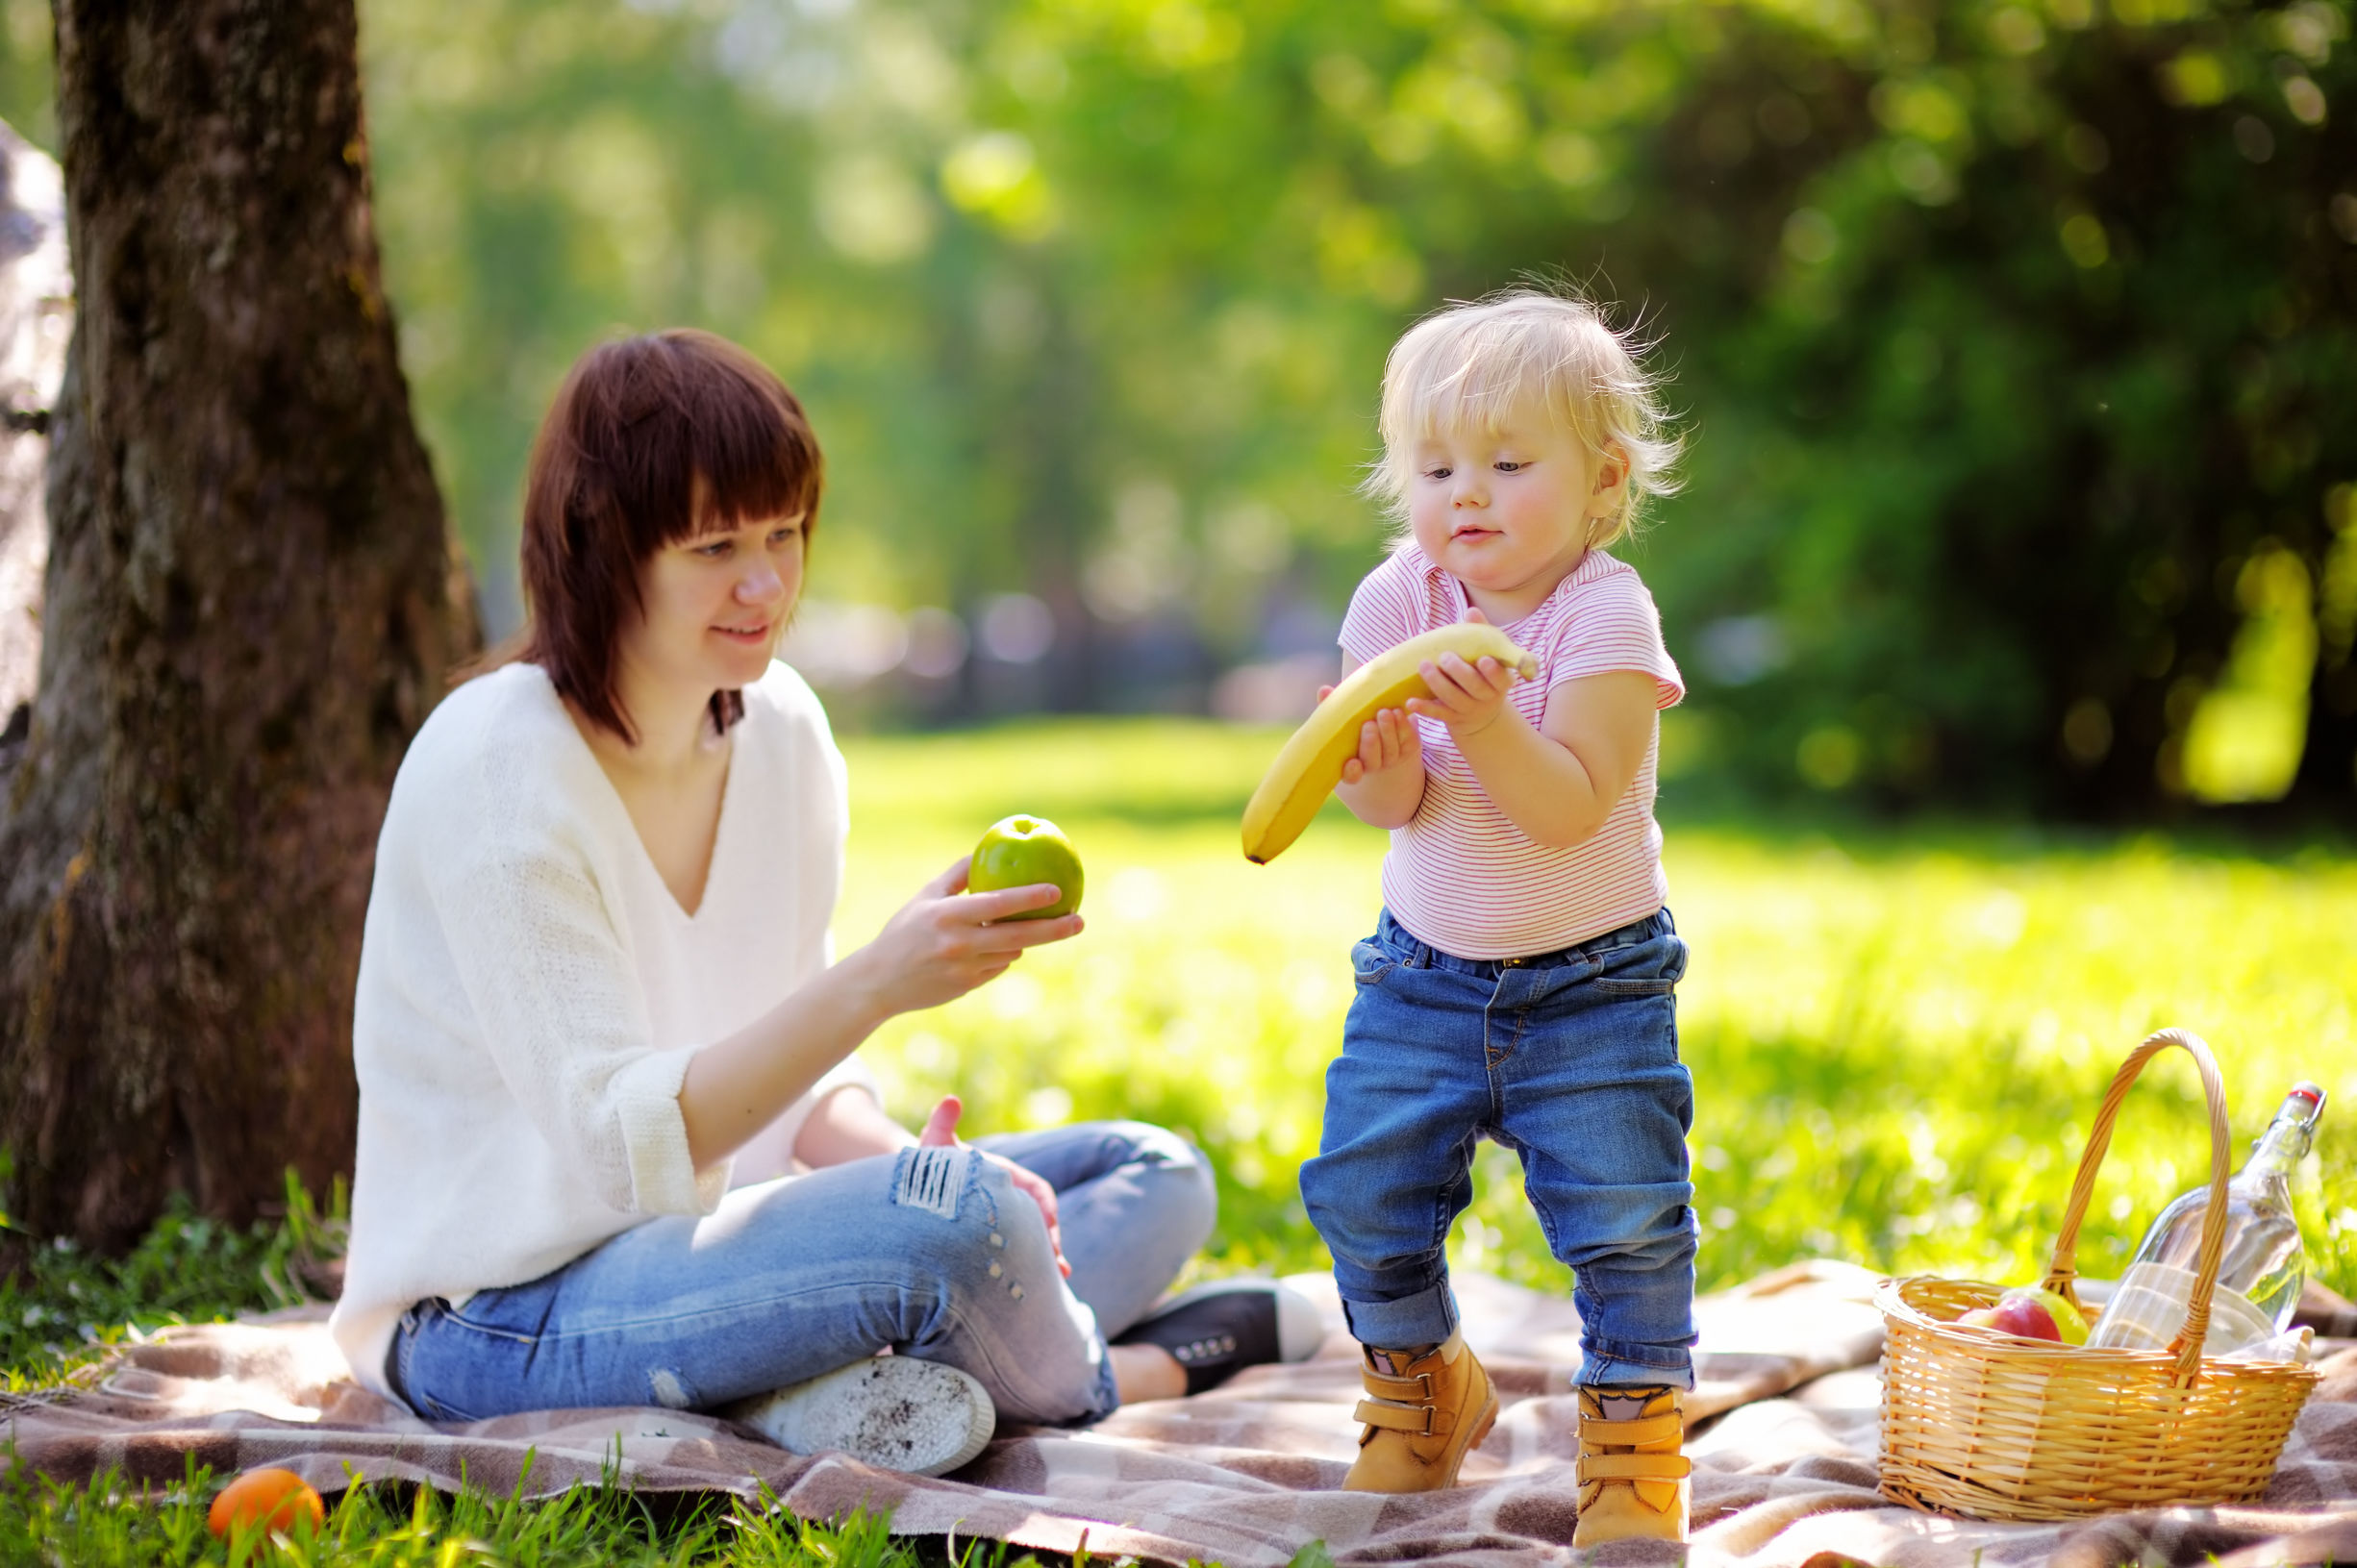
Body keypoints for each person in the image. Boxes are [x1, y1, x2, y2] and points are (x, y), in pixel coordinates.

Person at [328, 329, 1318, 1476]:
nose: (767, 584)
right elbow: (623, 1147)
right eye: (715, 546)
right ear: (604, 546)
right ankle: (1132, 1367)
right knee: (956, 1231)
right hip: (503, 1313)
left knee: (1148, 1170)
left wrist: (906, 1158)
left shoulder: (783, 727)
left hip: (725, 1254)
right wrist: (880, 990)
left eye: (785, 533)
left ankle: (822, 1386)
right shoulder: (499, 764)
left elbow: (800, 1094)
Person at [1295, 290, 1695, 1543]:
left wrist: (1475, 718)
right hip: (1419, 973)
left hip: (1591, 986)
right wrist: (1366, 765)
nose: (1462, 493)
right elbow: (1403, 802)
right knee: (1361, 1185)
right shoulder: (1395, 601)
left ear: (1600, 483)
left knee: (1623, 1216)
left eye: (1507, 463)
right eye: (1433, 465)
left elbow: (1569, 805)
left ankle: (1631, 1452)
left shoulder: (1602, 615)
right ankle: (1421, 1389)